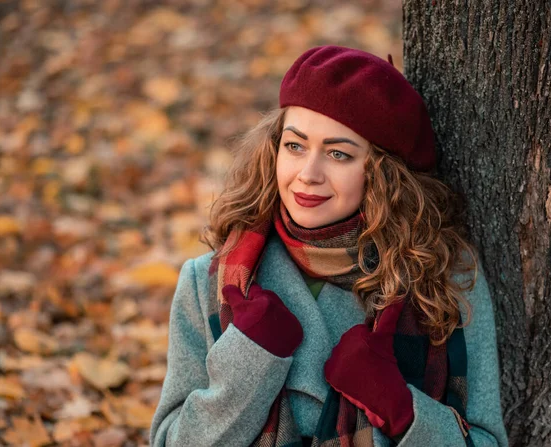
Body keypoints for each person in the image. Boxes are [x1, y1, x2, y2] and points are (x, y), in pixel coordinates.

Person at [149, 45, 509, 446]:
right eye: (295, 146)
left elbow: (487, 440)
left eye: (338, 154)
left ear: (383, 174)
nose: (308, 174)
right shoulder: (209, 283)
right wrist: (246, 364)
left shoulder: (445, 279)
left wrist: (403, 411)